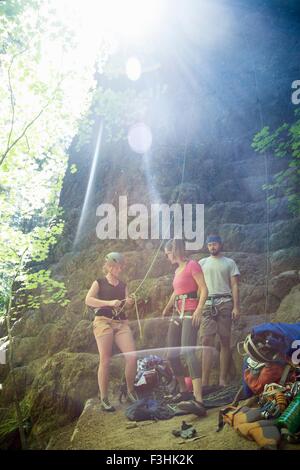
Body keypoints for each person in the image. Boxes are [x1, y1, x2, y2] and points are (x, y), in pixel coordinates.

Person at [85, 252, 137, 412]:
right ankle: (104, 398)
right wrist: (109, 303)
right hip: (103, 322)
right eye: (114, 266)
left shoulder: (123, 285)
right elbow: (88, 300)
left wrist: (129, 302)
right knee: (105, 360)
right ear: (107, 266)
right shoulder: (99, 282)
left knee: (132, 356)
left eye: (120, 266)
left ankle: (130, 391)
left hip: (121, 323)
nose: (118, 269)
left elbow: (126, 305)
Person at [162, 239, 208, 415]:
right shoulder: (177, 270)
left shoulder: (192, 265)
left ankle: (198, 400)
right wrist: (167, 307)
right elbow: (176, 291)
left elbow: (203, 288)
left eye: (167, 254)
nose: (167, 258)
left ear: (173, 251)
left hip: (190, 311)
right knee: (171, 354)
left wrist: (199, 309)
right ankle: (183, 391)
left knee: (188, 352)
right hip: (177, 313)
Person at [199, 234, 241, 387]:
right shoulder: (202, 263)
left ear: (220, 245)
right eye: (209, 245)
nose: (212, 247)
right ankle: (204, 381)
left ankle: (222, 379)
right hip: (208, 303)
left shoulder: (229, 262)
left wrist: (236, 307)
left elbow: (235, 285)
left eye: (215, 244)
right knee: (206, 341)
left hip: (225, 302)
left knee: (224, 340)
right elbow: (198, 286)